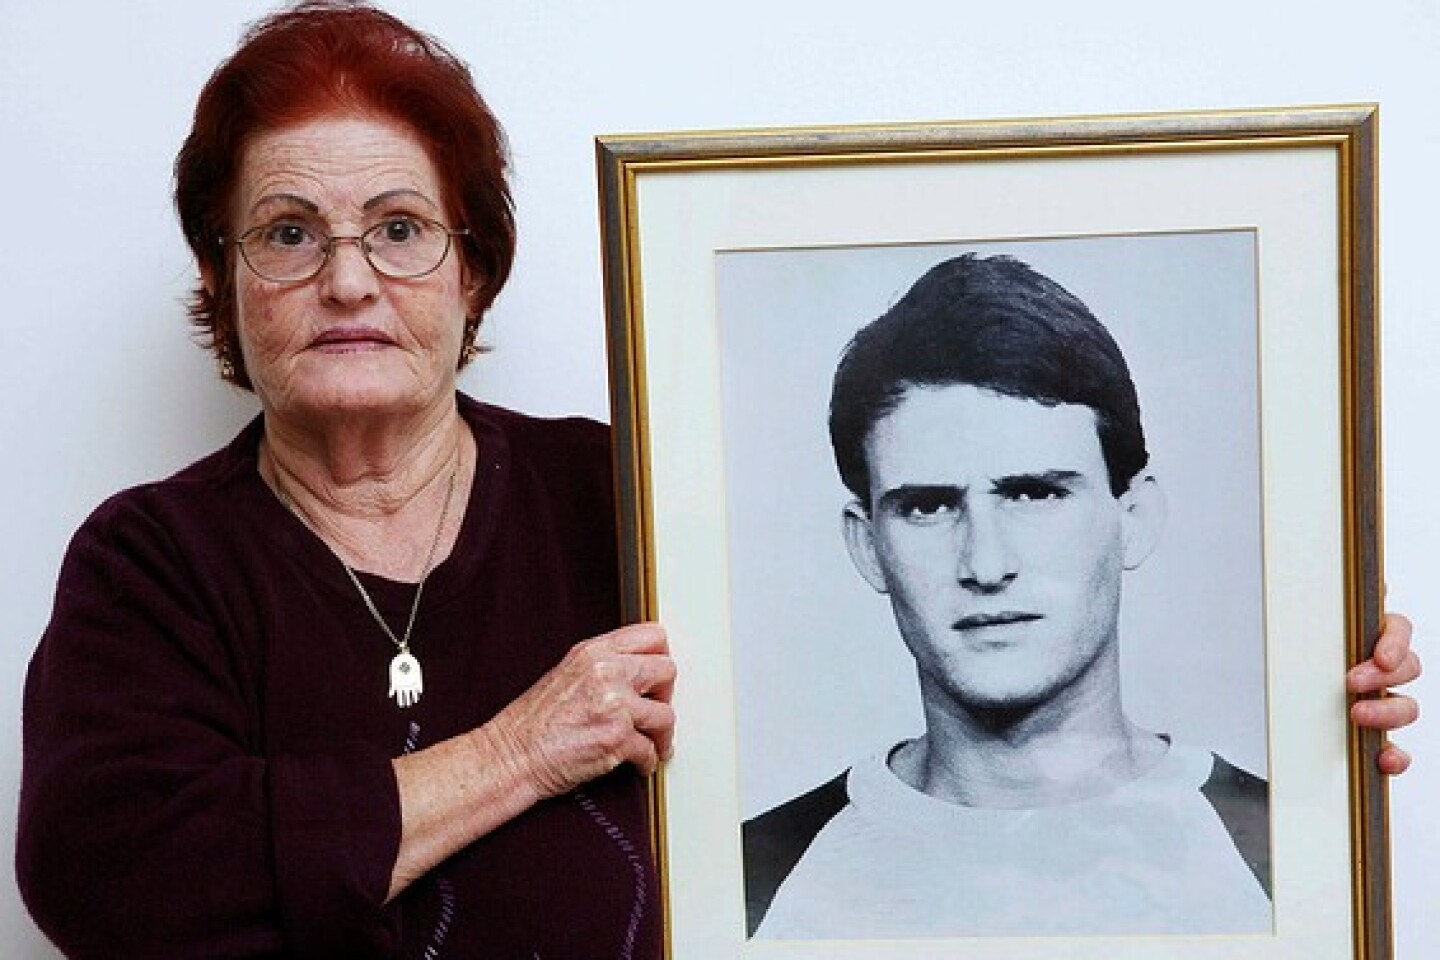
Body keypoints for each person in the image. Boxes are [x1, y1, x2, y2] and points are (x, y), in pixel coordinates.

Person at [15, 4, 675, 958]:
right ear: (220, 279)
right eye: (289, 235)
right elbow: (109, 879)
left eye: (399, 228)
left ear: (474, 271)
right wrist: (517, 753)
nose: (349, 281)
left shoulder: (626, 495)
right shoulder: (152, 561)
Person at [742, 253, 1421, 939]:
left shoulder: (1294, 855)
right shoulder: (751, 883)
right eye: (927, 507)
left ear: (1135, 520)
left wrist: (1344, 689)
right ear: (866, 545)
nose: (986, 562)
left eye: (1035, 494)